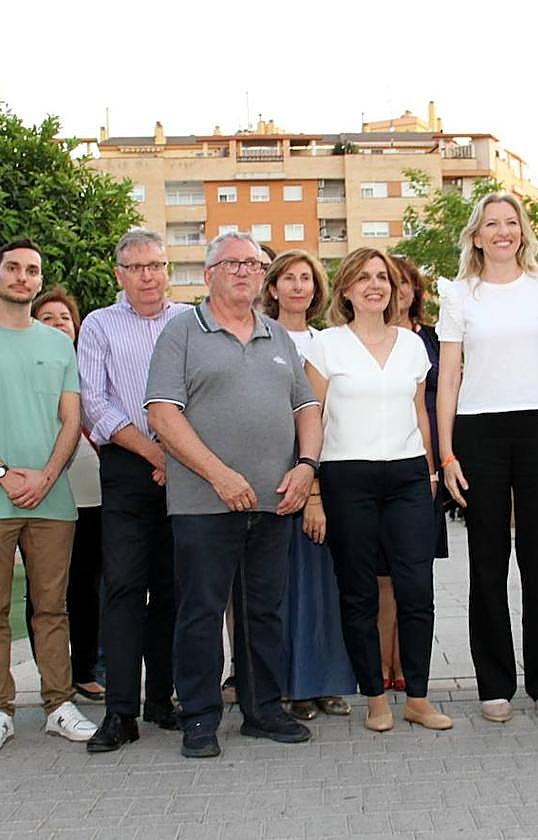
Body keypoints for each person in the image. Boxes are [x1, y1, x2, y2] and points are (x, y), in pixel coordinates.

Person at [145, 231, 323, 759]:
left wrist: (307, 467)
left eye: (253, 263)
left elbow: (307, 407)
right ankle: (199, 717)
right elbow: (162, 413)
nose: (245, 271)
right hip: (204, 501)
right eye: (232, 263)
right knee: (201, 611)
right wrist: (218, 474)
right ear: (209, 274)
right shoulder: (181, 333)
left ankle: (262, 709)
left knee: (262, 611)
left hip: (273, 500)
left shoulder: (278, 337)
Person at [0, 239, 98, 753]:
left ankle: (57, 704)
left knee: (52, 608)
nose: (23, 277)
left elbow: (72, 418)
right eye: (14, 268)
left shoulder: (57, 343)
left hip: (51, 499)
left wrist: (47, 476)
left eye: (32, 271)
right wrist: (4, 473)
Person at [437, 193, 538, 723]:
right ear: (476, 235)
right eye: (492, 224)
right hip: (478, 433)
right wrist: (446, 451)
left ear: (523, 231)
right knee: (488, 559)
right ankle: (493, 682)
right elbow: (447, 375)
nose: (503, 231)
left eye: (511, 223)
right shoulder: (459, 295)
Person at [303, 247, 451, 733]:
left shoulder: (412, 345)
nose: (375, 285)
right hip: (348, 478)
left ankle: (419, 698)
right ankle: (374, 698)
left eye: (382, 278)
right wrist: (315, 491)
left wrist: (430, 471)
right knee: (359, 594)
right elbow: (312, 420)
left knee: (416, 590)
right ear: (345, 289)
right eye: (363, 278)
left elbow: (420, 413)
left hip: (408, 476)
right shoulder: (325, 346)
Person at [76, 229, 190, 752]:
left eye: (156, 266)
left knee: (173, 589)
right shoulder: (99, 325)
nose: (148, 276)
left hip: (188, 466)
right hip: (127, 465)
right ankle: (120, 713)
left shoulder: (191, 321)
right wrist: (153, 453)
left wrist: (178, 455)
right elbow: (95, 405)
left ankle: (162, 699)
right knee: (123, 588)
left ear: (168, 270)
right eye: (136, 267)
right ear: (119, 273)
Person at [259, 249, 355, 721]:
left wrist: (316, 477)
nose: (298, 286)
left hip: (324, 468)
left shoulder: (328, 341)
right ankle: (292, 686)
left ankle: (326, 682)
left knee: (326, 584)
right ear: (272, 288)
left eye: (307, 279)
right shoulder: (261, 337)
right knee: (285, 587)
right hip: (276, 474)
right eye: (288, 278)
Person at [24, 285, 106, 706]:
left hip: (89, 490)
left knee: (87, 586)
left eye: (65, 318)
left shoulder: (87, 368)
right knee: (44, 588)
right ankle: (50, 674)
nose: (58, 324)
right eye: (48, 317)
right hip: (43, 488)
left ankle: (85, 670)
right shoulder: (25, 367)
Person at [377, 254, 447, 692]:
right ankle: (382, 666)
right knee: (382, 574)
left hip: (429, 468)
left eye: (405, 283)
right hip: (379, 465)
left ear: (414, 291)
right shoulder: (365, 340)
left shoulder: (435, 339)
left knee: (416, 572)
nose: (398, 291)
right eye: (389, 281)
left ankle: (408, 662)